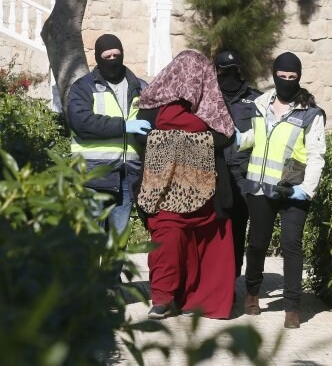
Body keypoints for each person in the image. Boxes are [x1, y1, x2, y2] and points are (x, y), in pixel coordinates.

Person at [134, 50, 236, 320]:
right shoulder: (151, 105)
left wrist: (175, 136)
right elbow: (142, 137)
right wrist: (195, 132)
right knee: (167, 241)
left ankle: (201, 300)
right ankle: (162, 298)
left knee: (212, 245)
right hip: (162, 191)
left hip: (207, 193)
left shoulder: (210, 104)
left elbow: (225, 136)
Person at [237, 52, 326, 329]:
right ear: (274, 75)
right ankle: (252, 293)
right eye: (282, 76)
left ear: (299, 77)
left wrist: (307, 190)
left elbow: (316, 155)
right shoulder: (261, 103)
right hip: (261, 188)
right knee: (257, 243)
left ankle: (292, 307)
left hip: (293, 190)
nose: (287, 81)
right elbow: (257, 136)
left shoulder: (311, 113)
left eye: (292, 77)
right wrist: (239, 139)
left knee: (291, 245)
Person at [67, 34, 150, 285]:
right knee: (92, 235)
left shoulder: (140, 86)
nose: (113, 60)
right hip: (93, 174)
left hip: (127, 173)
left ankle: (110, 285)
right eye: (107, 57)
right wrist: (125, 126)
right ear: (98, 58)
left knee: (119, 236)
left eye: (117, 55)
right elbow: (81, 123)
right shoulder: (84, 87)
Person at [214, 50, 262, 279]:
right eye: (224, 70)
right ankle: (215, 278)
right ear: (217, 71)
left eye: (233, 70)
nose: (229, 75)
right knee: (214, 229)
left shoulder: (256, 100)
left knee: (238, 229)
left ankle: (232, 278)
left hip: (244, 175)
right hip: (215, 173)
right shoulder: (208, 98)